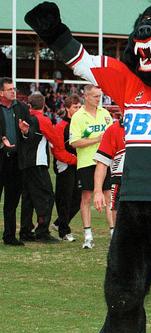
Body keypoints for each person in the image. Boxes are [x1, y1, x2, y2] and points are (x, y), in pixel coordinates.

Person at [69, 84, 113, 249]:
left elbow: (111, 135)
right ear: (86, 96)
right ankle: (88, 235)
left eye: (100, 96)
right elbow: (74, 142)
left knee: (109, 197)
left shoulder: (105, 114)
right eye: (95, 96)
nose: (98, 99)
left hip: (105, 161)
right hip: (87, 162)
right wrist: (96, 139)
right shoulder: (78, 117)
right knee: (87, 198)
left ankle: (113, 233)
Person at [19, 93, 59, 243]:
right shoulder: (42, 120)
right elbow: (55, 140)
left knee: (28, 198)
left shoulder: (25, 119)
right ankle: (42, 231)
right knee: (47, 196)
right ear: (43, 105)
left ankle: (25, 231)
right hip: (38, 163)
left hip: (25, 164)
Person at [0, 77, 31, 246]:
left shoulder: (22, 108)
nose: (13, 91)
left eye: (14, 88)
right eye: (9, 89)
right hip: (1, 158)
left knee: (12, 201)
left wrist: (25, 132)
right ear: (1, 92)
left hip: (16, 161)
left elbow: (32, 131)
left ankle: (10, 236)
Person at [52, 95, 82, 241]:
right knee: (65, 198)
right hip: (64, 166)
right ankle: (64, 231)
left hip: (78, 166)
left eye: (79, 106)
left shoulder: (80, 125)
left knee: (78, 199)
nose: (78, 109)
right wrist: (75, 160)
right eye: (75, 107)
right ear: (67, 108)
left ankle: (59, 223)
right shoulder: (60, 126)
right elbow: (58, 151)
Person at [93, 119, 125, 223]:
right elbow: (102, 163)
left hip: (148, 183)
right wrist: (98, 191)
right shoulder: (114, 129)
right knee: (120, 229)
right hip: (120, 183)